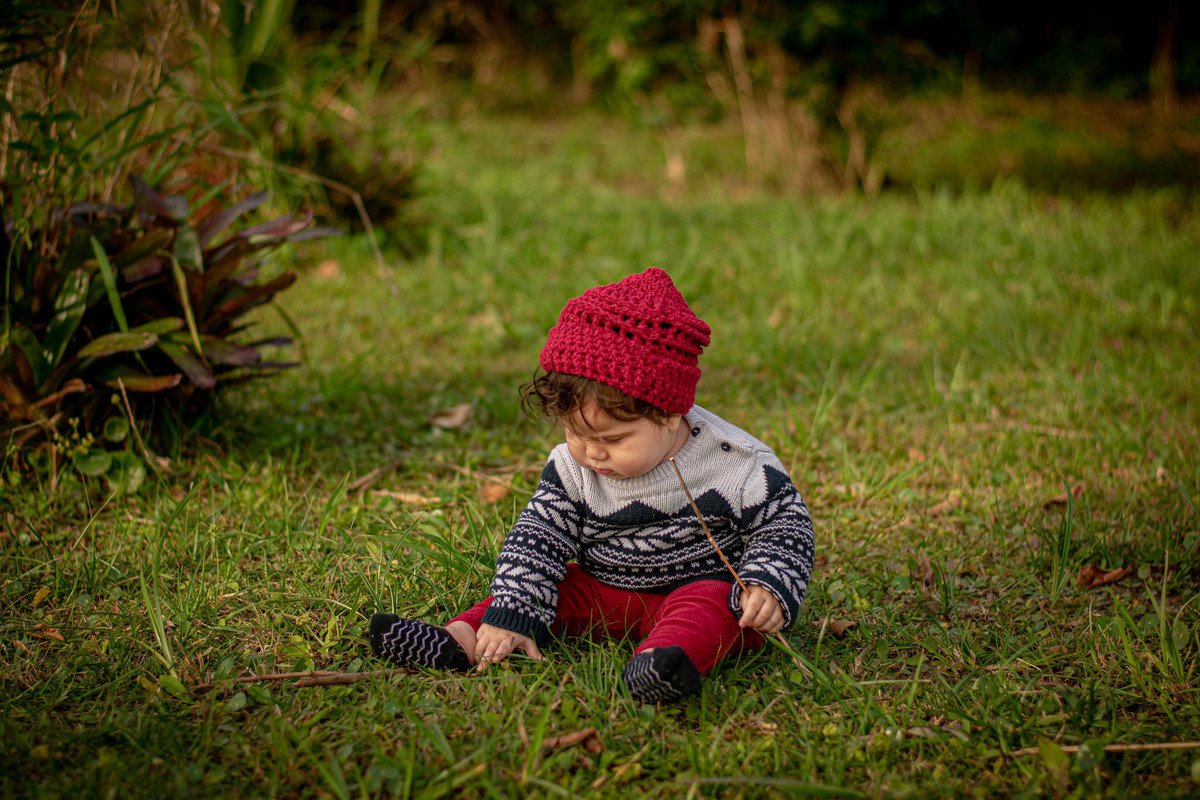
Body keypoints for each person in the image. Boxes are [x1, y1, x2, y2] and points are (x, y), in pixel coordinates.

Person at [369, 267, 815, 703]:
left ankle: (661, 663)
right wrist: (515, 605)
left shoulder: (734, 462)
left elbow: (785, 525)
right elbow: (539, 536)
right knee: (552, 587)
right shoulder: (572, 468)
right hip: (606, 588)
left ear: (670, 414)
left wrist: (767, 583)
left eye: (613, 440)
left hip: (698, 586)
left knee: (716, 608)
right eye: (574, 433)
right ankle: (459, 640)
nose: (592, 453)